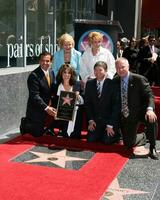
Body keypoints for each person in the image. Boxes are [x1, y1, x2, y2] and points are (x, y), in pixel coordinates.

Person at [113, 57, 159, 159]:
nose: (120, 70)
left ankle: (152, 146)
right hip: (127, 115)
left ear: (128, 66)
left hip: (141, 111)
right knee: (129, 143)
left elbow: (150, 96)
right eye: (117, 68)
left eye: (123, 67)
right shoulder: (115, 80)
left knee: (152, 119)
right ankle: (144, 136)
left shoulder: (139, 79)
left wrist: (150, 109)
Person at [20, 51, 57, 137]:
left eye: (47, 61)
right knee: (38, 134)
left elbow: (53, 89)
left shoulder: (51, 72)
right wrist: (47, 108)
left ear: (51, 62)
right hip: (36, 108)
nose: (45, 63)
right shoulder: (33, 76)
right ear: (39, 62)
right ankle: (25, 124)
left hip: (48, 104)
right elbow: (35, 96)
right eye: (42, 60)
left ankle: (48, 126)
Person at [84, 61, 120, 144]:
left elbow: (116, 106)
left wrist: (110, 125)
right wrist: (90, 120)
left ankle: (117, 134)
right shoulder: (89, 84)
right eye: (95, 70)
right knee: (90, 140)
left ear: (106, 71)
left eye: (100, 70)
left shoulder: (112, 84)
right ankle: (100, 133)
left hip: (109, 121)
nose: (97, 72)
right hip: (96, 121)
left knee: (106, 141)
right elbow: (87, 104)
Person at [55, 63, 84, 139]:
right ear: (61, 73)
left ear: (71, 74)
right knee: (65, 136)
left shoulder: (76, 84)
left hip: (76, 114)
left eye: (69, 73)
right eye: (64, 72)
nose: (66, 75)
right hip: (64, 115)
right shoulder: (57, 86)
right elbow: (56, 102)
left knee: (75, 137)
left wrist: (78, 97)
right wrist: (57, 113)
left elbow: (83, 102)